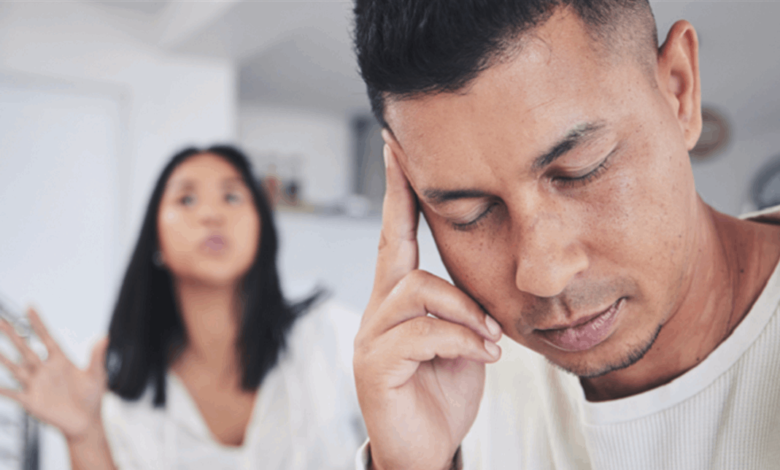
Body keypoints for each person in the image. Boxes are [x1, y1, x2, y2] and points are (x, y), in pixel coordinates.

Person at [351, 1, 780, 469]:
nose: (545, 276)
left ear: (680, 89)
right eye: (470, 213)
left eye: (582, 170)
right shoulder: (452, 396)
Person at [0, 145, 364, 469]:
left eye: (232, 197)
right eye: (186, 200)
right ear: (156, 240)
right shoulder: (117, 393)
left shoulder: (335, 337)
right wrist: (85, 435)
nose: (211, 215)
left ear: (261, 230)